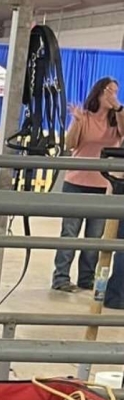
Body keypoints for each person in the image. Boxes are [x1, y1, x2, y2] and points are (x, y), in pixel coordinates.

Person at [52, 77, 124, 293]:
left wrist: (119, 107)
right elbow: (71, 144)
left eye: (115, 92)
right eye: (108, 91)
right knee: (69, 234)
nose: (111, 95)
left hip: (103, 185)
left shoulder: (117, 120)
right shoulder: (84, 116)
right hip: (76, 181)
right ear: (98, 93)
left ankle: (87, 278)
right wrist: (76, 121)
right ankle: (61, 278)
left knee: (94, 237)